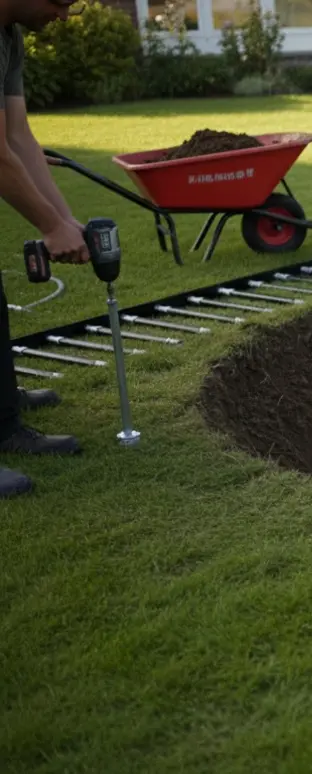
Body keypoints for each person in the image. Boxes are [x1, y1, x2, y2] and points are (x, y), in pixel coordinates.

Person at [0, 0, 90, 498]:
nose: (64, 15)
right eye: (60, 2)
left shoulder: (8, 35)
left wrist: (64, 219)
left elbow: (18, 136)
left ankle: (4, 417)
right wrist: (50, 225)